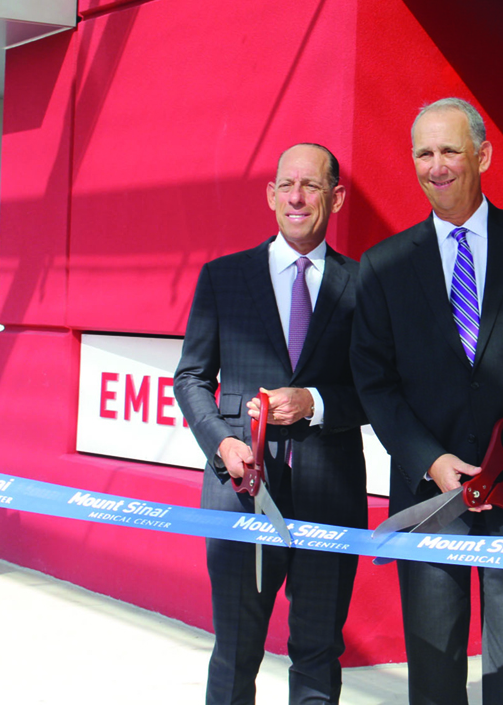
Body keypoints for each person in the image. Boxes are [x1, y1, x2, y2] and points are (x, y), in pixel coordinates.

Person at [351, 98, 503, 705]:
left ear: (482, 155)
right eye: (424, 153)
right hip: (431, 496)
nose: (437, 166)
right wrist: (429, 461)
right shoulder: (383, 266)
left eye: (450, 150)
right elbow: (374, 382)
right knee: (434, 678)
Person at [174, 144, 367, 705]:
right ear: (270, 196)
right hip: (240, 496)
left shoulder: (364, 285)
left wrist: (315, 401)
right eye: (286, 185)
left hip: (330, 497)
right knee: (235, 652)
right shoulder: (223, 278)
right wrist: (223, 444)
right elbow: (191, 379)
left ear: (335, 197)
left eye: (311, 185)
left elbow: (378, 394)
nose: (297, 197)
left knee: (317, 653)